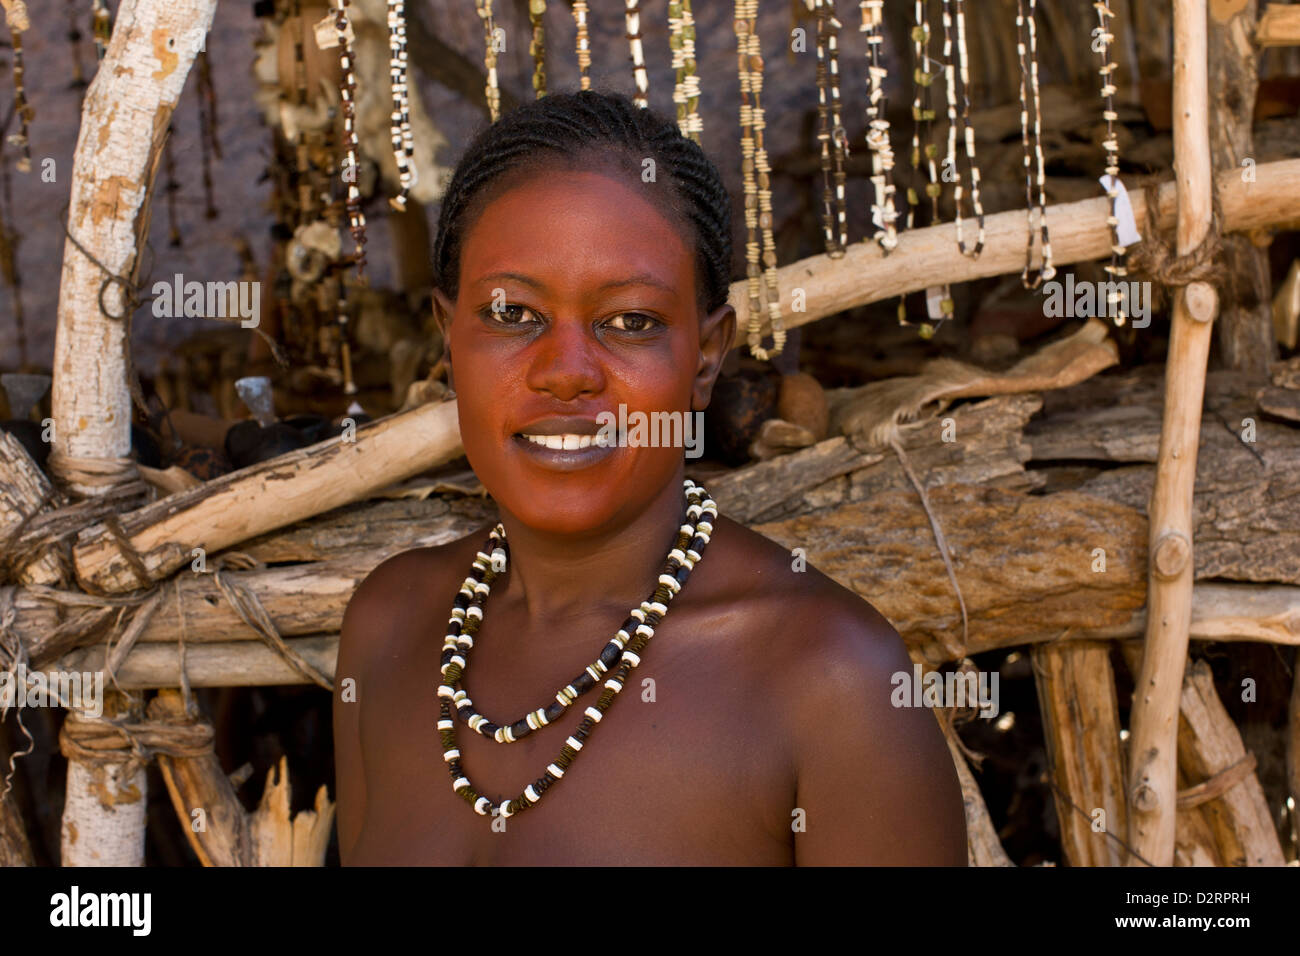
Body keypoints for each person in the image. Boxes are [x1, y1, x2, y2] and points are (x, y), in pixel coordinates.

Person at [333, 89, 965, 865]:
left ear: (705, 358)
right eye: (513, 315)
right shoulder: (389, 628)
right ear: (448, 334)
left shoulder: (831, 681)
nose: (566, 374)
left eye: (629, 322)